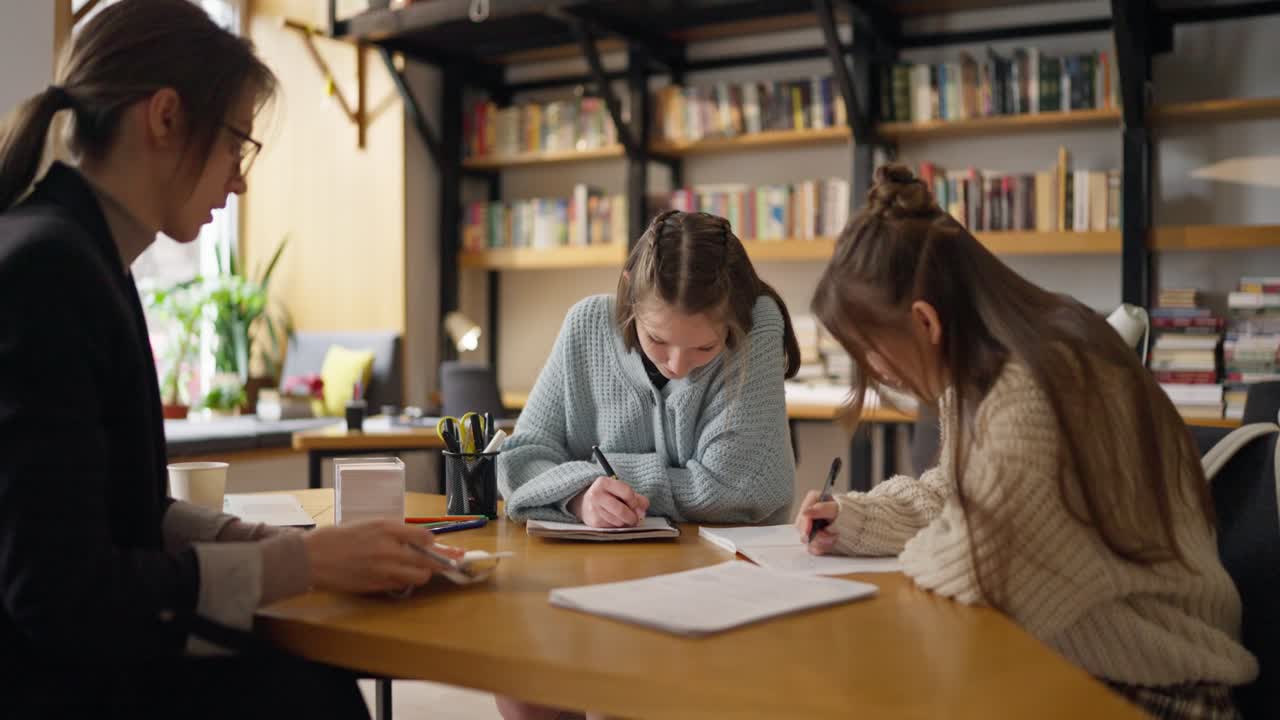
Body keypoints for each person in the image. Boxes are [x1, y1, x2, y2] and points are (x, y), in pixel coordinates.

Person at [0, 2, 457, 717]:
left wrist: (296, 547)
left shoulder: (76, 253)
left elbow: (126, 512)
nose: (240, 182)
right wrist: (303, 562)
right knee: (313, 695)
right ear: (166, 117)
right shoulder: (50, 271)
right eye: (237, 145)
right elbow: (60, 595)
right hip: (51, 684)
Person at [796, 164, 1258, 719]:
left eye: (869, 350)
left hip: (1157, 693)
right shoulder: (989, 370)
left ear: (924, 322)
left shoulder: (1040, 389)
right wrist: (855, 518)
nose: (873, 369)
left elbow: (974, 570)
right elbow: (958, 495)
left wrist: (943, 534)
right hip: (1073, 663)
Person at [494, 209, 800, 719]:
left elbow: (742, 485)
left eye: (704, 346)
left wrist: (602, 475)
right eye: (657, 339)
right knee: (522, 680)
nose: (677, 366)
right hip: (597, 577)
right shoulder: (586, 325)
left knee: (632, 696)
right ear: (628, 293)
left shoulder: (756, 325)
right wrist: (578, 496)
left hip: (722, 588)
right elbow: (520, 461)